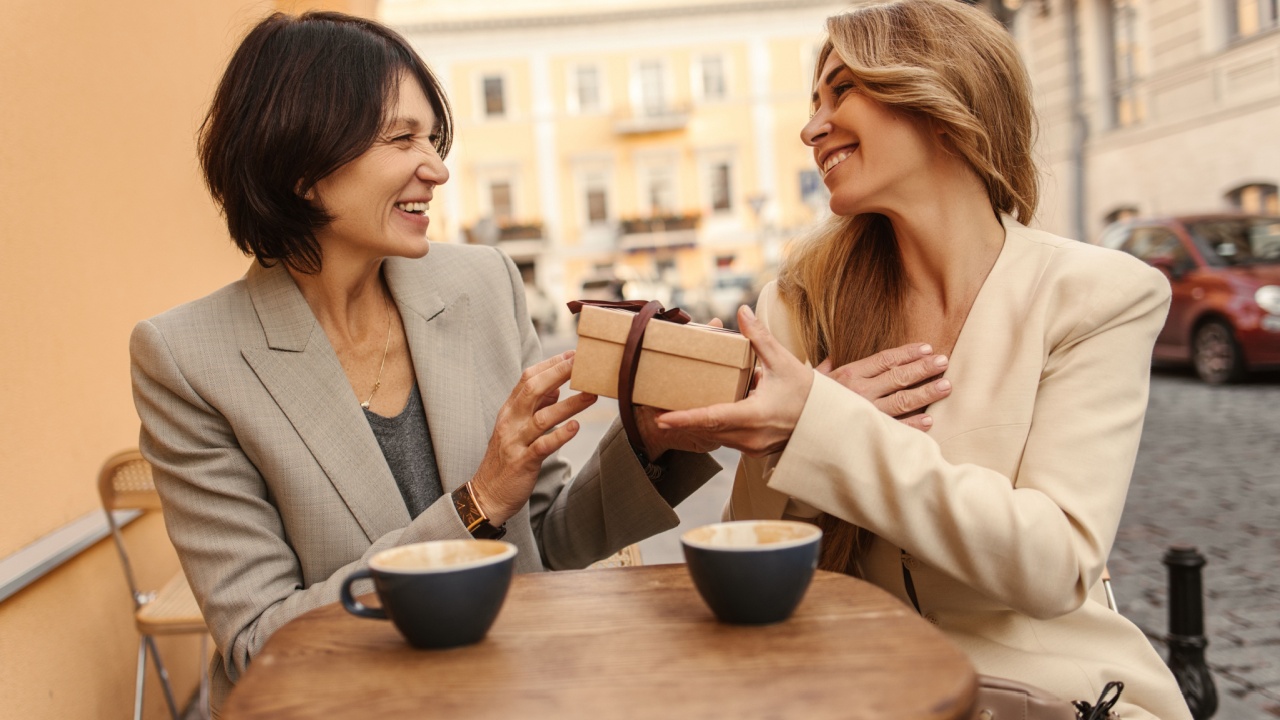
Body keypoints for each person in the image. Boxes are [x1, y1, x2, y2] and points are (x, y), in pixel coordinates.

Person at [129, 12, 718, 713]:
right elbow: (263, 641)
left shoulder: (482, 285)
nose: (436, 169)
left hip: (516, 692)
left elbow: (549, 542)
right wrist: (475, 506)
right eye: (402, 138)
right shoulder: (188, 359)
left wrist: (648, 442)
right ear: (300, 168)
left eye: (433, 139)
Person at [656, 1, 1192, 717]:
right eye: (813, 101)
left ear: (942, 101)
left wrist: (823, 421)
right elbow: (758, 555)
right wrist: (774, 433)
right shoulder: (797, 305)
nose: (812, 127)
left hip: (1049, 698)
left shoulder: (1095, 296)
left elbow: (1053, 564)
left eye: (842, 90)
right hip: (856, 689)